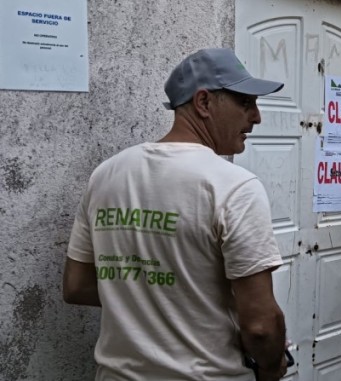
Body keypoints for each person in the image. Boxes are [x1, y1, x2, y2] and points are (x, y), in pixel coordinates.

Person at [63, 48, 290, 381]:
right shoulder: (233, 186)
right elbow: (260, 327)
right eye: (245, 102)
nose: (256, 117)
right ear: (203, 103)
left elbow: (77, 286)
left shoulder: (107, 175)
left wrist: (151, 297)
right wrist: (272, 369)